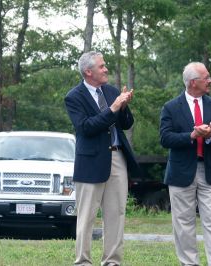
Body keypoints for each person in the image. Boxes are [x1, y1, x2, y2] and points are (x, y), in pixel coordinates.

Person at [65, 51, 140, 266]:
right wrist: (114, 107)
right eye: (102, 66)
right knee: (86, 216)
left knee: (116, 213)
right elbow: (86, 128)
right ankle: (83, 261)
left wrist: (123, 107)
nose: (106, 69)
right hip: (90, 162)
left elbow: (126, 124)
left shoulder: (111, 91)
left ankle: (112, 261)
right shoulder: (74, 97)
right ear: (89, 72)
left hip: (117, 158)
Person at [160, 62, 211, 266]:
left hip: (210, 171)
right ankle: (189, 263)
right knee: (183, 224)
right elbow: (165, 138)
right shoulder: (171, 107)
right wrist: (191, 135)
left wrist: (210, 136)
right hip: (181, 172)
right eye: (206, 77)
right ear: (192, 82)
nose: (210, 80)